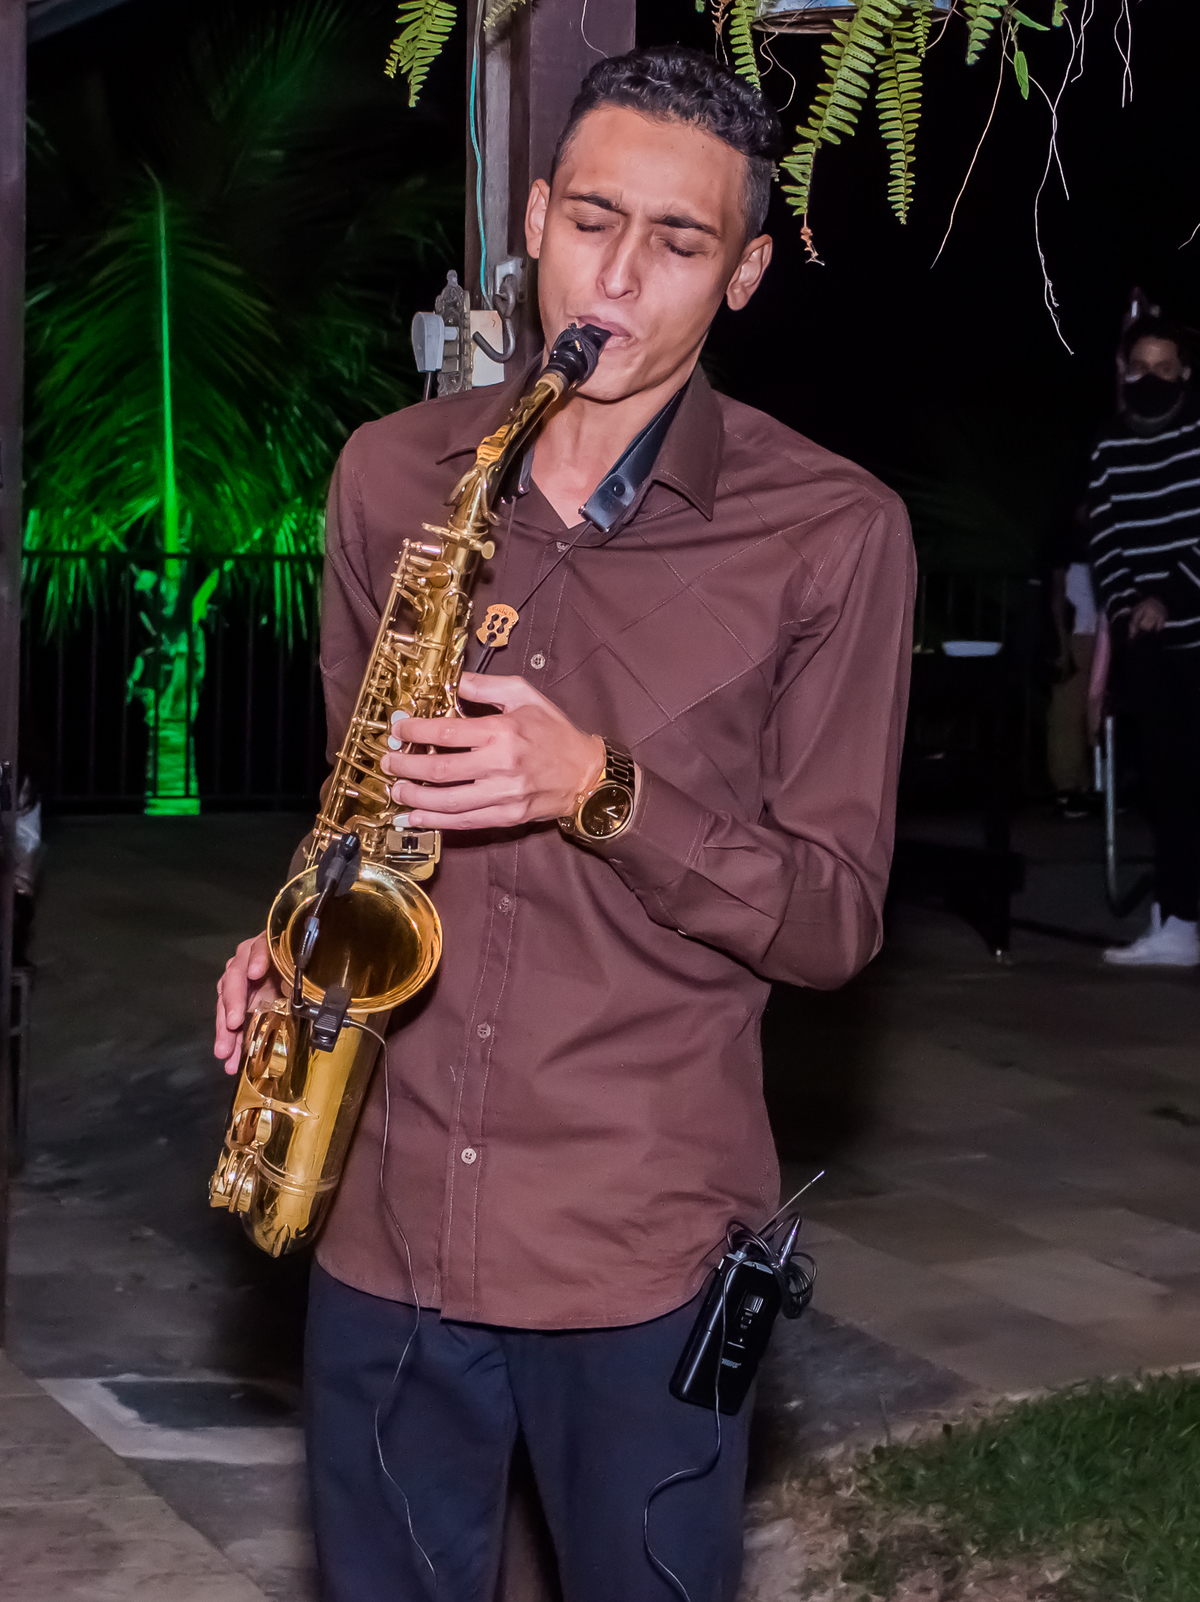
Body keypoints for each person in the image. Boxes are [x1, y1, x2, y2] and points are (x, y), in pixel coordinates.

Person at [214, 47, 915, 1602]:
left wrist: (603, 788)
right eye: (593, 220)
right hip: (387, 1225)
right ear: (535, 217)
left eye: (679, 242)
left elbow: (832, 918)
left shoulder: (833, 532)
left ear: (743, 276)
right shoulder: (392, 474)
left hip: (638, 1246)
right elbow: (355, 801)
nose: (619, 275)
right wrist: (291, 936)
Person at [1089, 314, 1200, 967]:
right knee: (1169, 789)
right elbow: (1105, 538)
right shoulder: (1108, 446)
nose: (1151, 378)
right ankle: (1179, 920)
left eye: (1164, 367)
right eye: (1140, 368)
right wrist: (1129, 605)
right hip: (1151, 647)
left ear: (1185, 372)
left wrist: (1171, 597)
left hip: (1192, 629)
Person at [1046, 505, 1099, 817]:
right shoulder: (1065, 541)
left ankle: (1084, 784)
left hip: (1094, 634)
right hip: (1075, 634)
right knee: (1067, 711)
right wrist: (1062, 646)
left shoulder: (1091, 540)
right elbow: (1057, 597)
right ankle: (1066, 788)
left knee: (1087, 712)